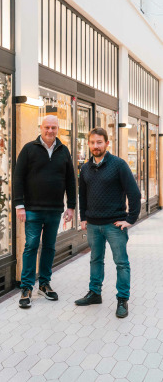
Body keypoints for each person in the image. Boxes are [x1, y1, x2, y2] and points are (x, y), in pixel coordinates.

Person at [75, 127, 141, 318]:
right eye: (93, 142)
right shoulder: (85, 168)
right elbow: (83, 194)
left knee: (121, 263)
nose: (96, 146)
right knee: (95, 260)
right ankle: (95, 293)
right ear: (88, 144)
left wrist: (130, 219)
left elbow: (134, 192)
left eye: (99, 142)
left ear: (107, 143)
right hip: (93, 225)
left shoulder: (118, 165)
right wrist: (84, 218)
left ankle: (122, 299)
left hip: (114, 225)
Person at [14, 115, 76, 308]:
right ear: (40, 128)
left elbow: (70, 181)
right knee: (31, 246)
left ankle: (45, 283)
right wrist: (19, 205)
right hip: (32, 209)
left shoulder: (64, 151)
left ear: (58, 129)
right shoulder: (28, 149)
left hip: (54, 210)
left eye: (54, 128)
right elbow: (18, 178)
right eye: (47, 127)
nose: (50, 131)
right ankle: (26, 287)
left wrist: (71, 206)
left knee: (49, 247)